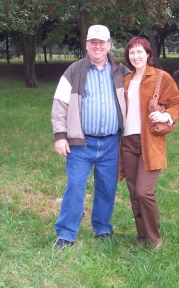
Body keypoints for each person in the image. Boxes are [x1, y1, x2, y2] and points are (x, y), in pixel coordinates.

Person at [51, 25, 130, 250]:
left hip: (111, 142)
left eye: (102, 42)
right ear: (86, 45)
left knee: (107, 188)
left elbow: (138, 94)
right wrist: (60, 136)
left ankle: (102, 228)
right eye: (93, 42)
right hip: (80, 143)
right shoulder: (74, 71)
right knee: (75, 186)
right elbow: (60, 105)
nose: (97, 46)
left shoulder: (121, 71)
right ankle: (66, 234)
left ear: (109, 45)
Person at [120, 36, 179, 247]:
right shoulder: (127, 80)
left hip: (149, 143)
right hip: (127, 143)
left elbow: (178, 102)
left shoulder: (161, 77)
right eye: (132, 52)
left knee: (144, 191)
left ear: (148, 54)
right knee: (133, 192)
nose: (136, 56)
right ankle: (141, 238)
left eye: (140, 52)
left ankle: (154, 239)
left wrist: (166, 116)